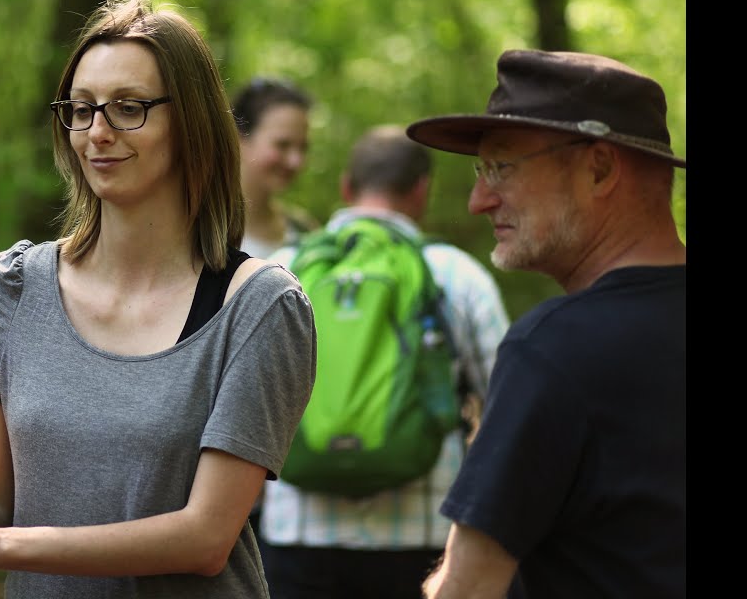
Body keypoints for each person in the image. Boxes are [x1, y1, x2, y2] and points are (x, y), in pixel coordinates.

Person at [0, 0, 318, 598]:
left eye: (129, 108)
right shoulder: (11, 287)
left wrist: (1, 548)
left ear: (192, 123)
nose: (97, 132)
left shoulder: (259, 306)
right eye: (80, 110)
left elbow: (205, 539)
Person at [406, 49, 686, 598]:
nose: (478, 200)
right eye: (481, 170)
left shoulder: (556, 348)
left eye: (502, 167)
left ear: (599, 168)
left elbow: (466, 590)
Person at [256, 124, 511, 598]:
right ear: (421, 191)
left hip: (298, 535)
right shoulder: (455, 274)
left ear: (346, 187)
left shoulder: (279, 270)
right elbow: (508, 411)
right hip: (420, 540)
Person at [231, 77, 319, 258]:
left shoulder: (303, 232)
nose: (296, 161)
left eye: (303, 148)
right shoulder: (197, 228)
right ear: (240, 138)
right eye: (282, 145)